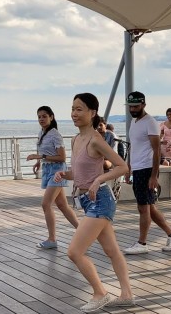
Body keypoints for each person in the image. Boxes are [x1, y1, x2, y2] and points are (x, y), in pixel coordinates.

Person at [54, 93, 134, 312]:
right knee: (112, 250)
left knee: (74, 252)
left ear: (92, 113)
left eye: (80, 109)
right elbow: (80, 173)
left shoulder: (96, 139)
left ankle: (100, 293)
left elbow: (122, 166)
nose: (74, 113)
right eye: (72, 109)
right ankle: (126, 294)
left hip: (100, 200)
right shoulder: (75, 139)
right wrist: (65, 174)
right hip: (87, 200)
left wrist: (99, 179)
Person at [123, 91, 171, 255]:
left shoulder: (150, 122)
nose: (132, 109)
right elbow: (132, 146)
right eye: (130, 106)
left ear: (143, 105)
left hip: (147, 169)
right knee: (150, 208)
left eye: (136, 106)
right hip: (137, 168)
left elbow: (157, 151)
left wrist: (154, 176)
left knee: (143, 208)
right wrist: (128, 167)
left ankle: (142, 243)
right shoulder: (134, 122)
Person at [27, 106, 79, 249]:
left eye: (44, 116)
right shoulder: (42, 133)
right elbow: (44, 151)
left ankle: (52, 239)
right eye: (39, 117)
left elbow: (62, 157)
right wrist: (39, 162)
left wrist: (40, 156)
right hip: (48, 169)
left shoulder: (55, 134)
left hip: (57, 171)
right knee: (62, 205)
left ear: (51, 117)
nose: (41, 119)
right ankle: (82, 232)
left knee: (46, 204)